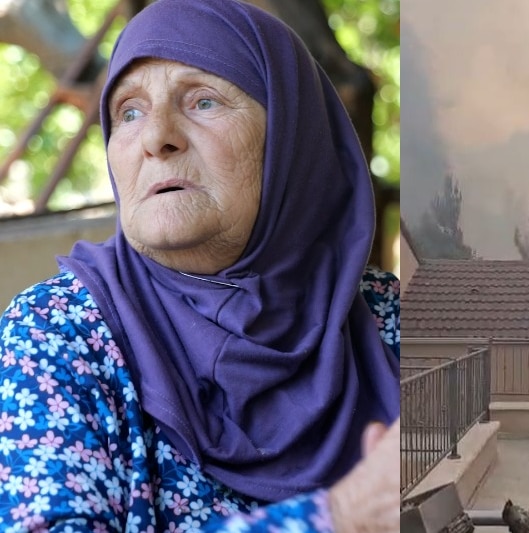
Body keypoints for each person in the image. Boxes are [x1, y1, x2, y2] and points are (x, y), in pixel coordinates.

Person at [0, 0, 400, 531]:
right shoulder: (57, 334)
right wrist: (337, 517)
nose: (155, 137)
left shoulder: (390, 316)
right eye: (129, 112)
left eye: (204, 102)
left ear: (291, 138)